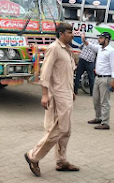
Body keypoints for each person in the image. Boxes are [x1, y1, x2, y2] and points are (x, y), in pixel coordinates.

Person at [24, 23, 80, 177]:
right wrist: (44, 94)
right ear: (61, 33)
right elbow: (45, 73)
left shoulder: (67, 50)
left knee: (67, 130)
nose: (72, 35)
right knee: (59, 129)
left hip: (66, 94)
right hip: (58, 96)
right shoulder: (54, 48)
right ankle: (33, 156)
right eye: (70, 32)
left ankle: (61, 161)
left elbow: (66, 74)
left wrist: (71, 91)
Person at [81, 31, 114, 130]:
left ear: (107, 40)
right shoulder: (100, 49)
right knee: (96, 99)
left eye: (101, 38)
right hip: (98, 77)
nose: (99, 40)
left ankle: (105, 122)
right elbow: (91, 46)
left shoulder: (111, 51)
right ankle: (98, 117)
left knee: (104, 101)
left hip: (106, 78)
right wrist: (84, 40)